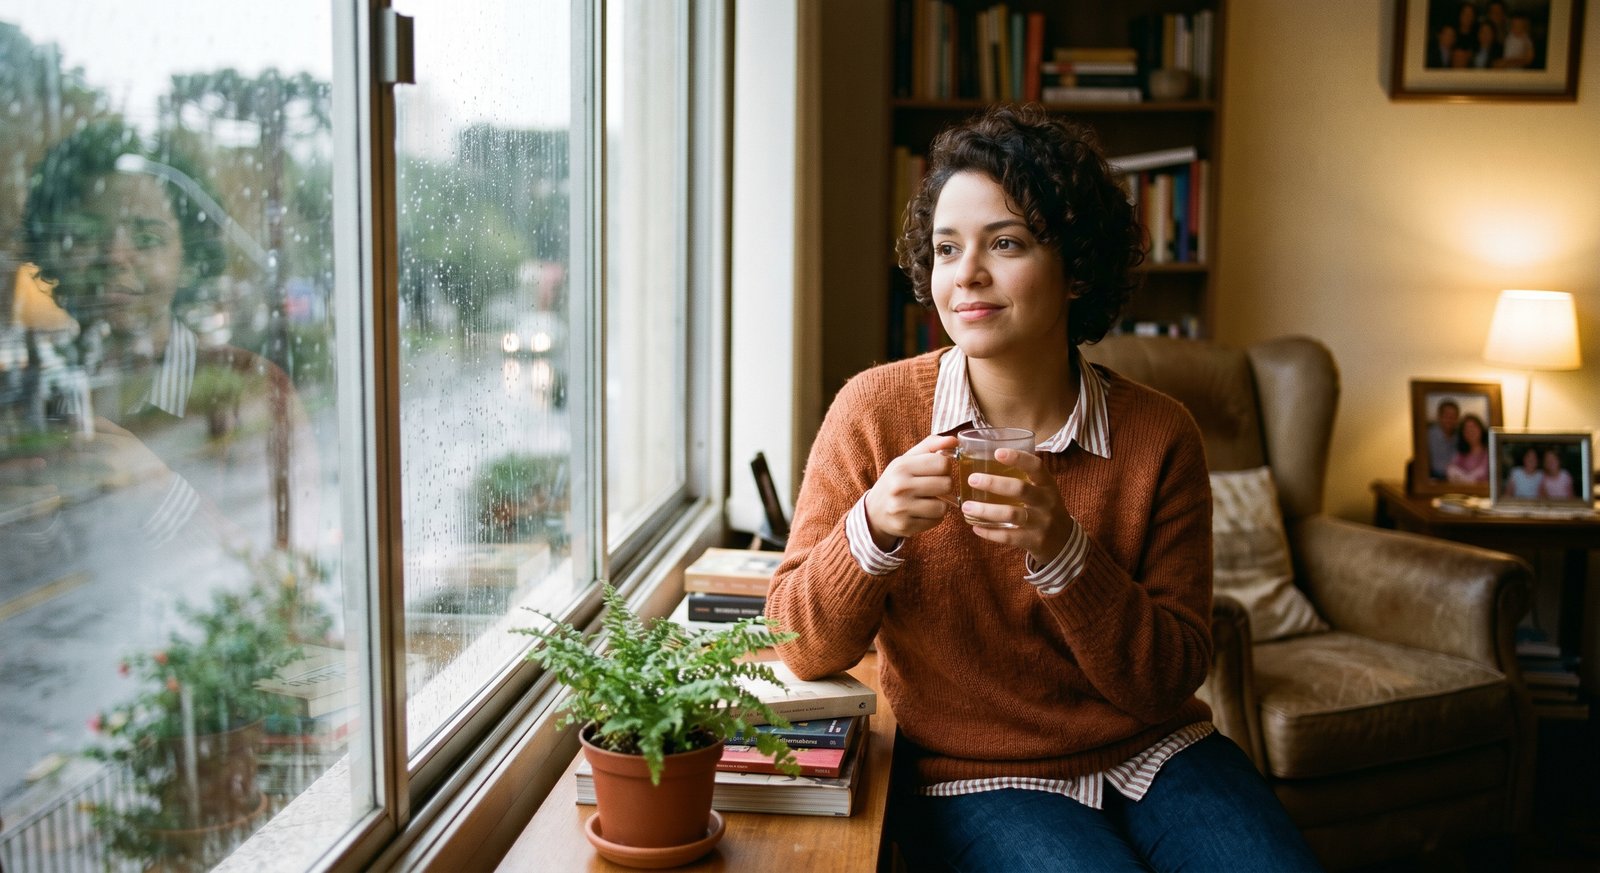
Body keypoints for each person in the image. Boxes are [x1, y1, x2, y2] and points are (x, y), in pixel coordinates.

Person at [765, 105, 1322, 871]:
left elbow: (1171, 676)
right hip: (978, 775)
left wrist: (1065, 552)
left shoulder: (1161, 435)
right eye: (947, 248)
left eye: (1006, 242)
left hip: (1161, 752)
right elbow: (798, 643)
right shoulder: (875, 411)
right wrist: (873, 529)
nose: (967, 274)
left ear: (1077, 269)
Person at [20, 120, 318, 554]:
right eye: (86, 236)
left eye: (145, 237)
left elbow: (283, 579)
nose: (115, 256)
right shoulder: (54, 391)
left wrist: (156, 485)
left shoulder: (248, 387)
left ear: (190, 255)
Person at [1445, 413, 1489, 484]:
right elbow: (1450, 470)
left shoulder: (1489, 453)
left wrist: (1464, 478)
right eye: (1466, 429)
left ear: (1481, 429)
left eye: (1473, 427)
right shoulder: (1461, 454)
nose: (1470, 431)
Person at [1427, 399, 1461, 480]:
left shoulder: (1460, 436)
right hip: (1433, 479)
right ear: (1439, 417)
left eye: (1453, 416)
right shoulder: (1428, 435)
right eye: (1446, 415)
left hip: (1455, 480)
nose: (1450, 419)